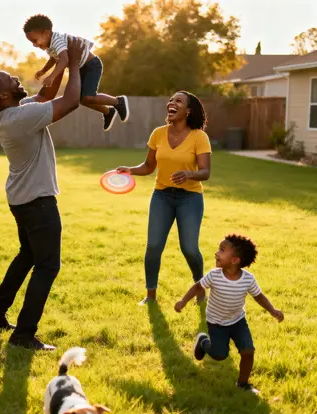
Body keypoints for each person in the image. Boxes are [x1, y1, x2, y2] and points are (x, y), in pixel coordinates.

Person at [0, 38, 85, 351]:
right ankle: (23, 335)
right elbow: (70, 101)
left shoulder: (7, 113)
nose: (16, 78)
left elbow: (47, 94)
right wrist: (74, 62)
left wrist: (61, 64)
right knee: (47, 265)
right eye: (11, 79)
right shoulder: (20, 117)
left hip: (22, 200)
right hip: (37, 202)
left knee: (29, 255)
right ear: (4, 94)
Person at [117, 91, 211, 304]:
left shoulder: (199, 137)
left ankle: (200, 287)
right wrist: (129, 170)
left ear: (188, 111)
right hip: (162, 196)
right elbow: (149, 166)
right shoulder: (158, 134)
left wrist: (189, 174)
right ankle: (150, 295)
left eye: (178, 101)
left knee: (189, 247)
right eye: (171, 100)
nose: (172, 103)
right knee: (153, 246)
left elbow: (205, 172)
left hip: (190, 197)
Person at [175, 234, 284, 394]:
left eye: (222, 250)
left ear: (235, 260)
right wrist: (183, 301)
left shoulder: (248, 279)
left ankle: (243, 384)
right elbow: (198, 287)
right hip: (216, 322)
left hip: (238, 321)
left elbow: (259, 296)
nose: (217, 253)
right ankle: (203, 341)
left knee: (248, 351)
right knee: (220, 355)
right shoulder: (214, 275)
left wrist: (273, 310)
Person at [23, 14, 129, 132]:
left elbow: (64, 60)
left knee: (88, 97)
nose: (34, 45)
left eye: (35, 40)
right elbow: (53, 59)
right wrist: (43, 70)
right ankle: (108, 111)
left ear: (46, 33)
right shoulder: (50, 45)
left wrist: (52, 76)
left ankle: (118, 101)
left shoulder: (57, 41)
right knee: (82, 99)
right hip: (81, 67)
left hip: (91, 65)